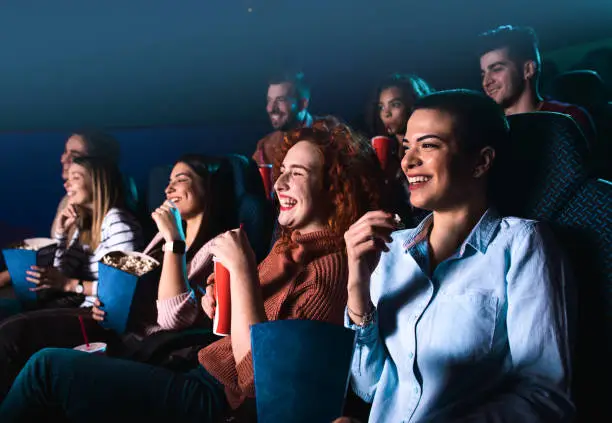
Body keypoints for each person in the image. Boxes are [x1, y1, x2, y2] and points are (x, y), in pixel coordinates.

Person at [0, 118, 386, 422]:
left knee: (45, 368)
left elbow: (258, 386)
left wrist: (242, 273)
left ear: (335, 188)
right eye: (281, 170)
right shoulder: (289, 242)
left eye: (297, 173)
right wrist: (221, 298)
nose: (280, 182)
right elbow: (228, 321)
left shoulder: (330, 269)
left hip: (218, 402)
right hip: (193, 365)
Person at [340, 90, 574, 422]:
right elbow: (369, 387)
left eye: (429, 145)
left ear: (481, 161)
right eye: (406, 147)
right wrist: (357, 286)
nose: (407, 161)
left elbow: (545, 397)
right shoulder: (389, 249)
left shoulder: (522, 245)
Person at [0, 131, 122, 290]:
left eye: (75, 154)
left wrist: (71, 286)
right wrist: (61, 234)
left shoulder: (116, 220)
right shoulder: (71, 202)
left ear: (97, 166)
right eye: (65, 152)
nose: (63, 159)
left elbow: (119, 287)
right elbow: (63, 267)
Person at [478, 25, 596, 147]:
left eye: (496, 69)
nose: (486, 82)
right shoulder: (488, 126)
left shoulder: (566, 118)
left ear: (528, 70)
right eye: (483, 74)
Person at [369, 73, 435, 227]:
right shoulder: (382, 151)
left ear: (414, 104)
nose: (386, 113)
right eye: (381, 107)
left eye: (395, 104)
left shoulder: (431, 149)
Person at [252, 71, 315, 165]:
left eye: (280, 100)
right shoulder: (265, 147)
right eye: (269, 100)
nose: (271, 108)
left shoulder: (331, 137)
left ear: (303, 104)